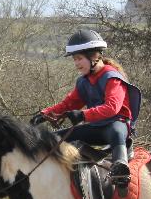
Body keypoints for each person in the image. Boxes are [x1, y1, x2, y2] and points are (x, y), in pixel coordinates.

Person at [31, 28, 142, 189]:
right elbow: (68, 104)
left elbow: (112, 108)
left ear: (94, 57)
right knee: (53, 139)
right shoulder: (83, 81)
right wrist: (45, 114)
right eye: (74, 60)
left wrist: (83, 115)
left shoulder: (112, 77)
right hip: (96, 128)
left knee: (116, 130)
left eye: (79, 59)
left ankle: (120, 168)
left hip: (116, 126)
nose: (76, 64)